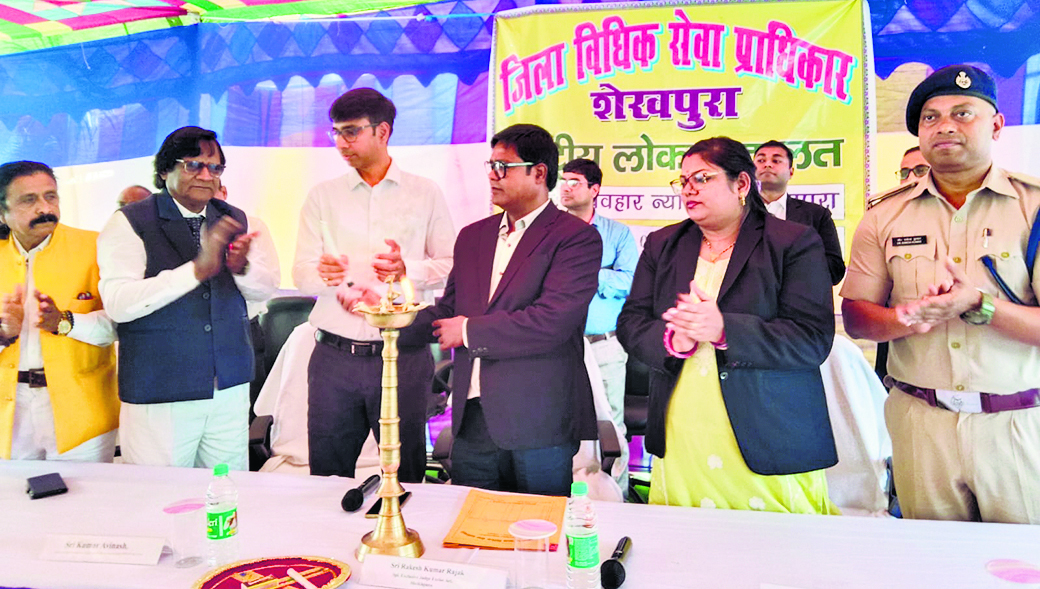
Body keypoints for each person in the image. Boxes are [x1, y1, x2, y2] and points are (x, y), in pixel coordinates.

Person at [841, 64, 1040, 523]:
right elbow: (856, 317)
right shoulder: (884, 216)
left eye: (962, 113)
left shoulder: (1033, 207)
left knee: (1021, 557)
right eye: (930, 117)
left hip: (1015, 424)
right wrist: (905, 318)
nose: (945, 126)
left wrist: (980, 305)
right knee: (928, 556)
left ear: (996, 125)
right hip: (920, 424)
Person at [616, 136, 838, 512]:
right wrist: (673, 340)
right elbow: (631, 323)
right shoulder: (663, 244)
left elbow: (812, 339)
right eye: (683, 181)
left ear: (741, 184)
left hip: (768, 430)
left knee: (772, 542)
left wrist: (724, 330)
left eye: (702, 178)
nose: (688, 189)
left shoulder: (793, 242)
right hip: (682, 428)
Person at [404, 123, 602, 496]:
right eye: (490, 166)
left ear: (539, 173)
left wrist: (468, 332)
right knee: (472, 524)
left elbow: (552, 322)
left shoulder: (575, 238)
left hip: (539, 418)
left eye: (503, 167)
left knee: (539, 524)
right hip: (473, 419)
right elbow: (449, 310)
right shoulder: (473, 236)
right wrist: (388, 319)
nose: (493, 176)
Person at [294, 88, 455, 483]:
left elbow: (452, 265)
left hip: (402, 353)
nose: (340, 143)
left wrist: (406, 269)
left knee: (405, 473)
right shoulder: (323, 196)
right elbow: (301, 273)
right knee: (327, 477)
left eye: (351, 132)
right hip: (334, 358)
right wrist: (326, 276)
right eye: (335, 132)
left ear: (382, 131)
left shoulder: (424, 192)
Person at [98, 126, 277, 470]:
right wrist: (195, 270)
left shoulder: (234, 218)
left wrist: (242, 268)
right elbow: (118, 303)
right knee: (159, 494)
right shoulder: (129, 222)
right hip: (161, 390)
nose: (206, 175)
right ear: (165, 170)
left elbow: (265, 292)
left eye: (215, 167)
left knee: (226, 487)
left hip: (228, 388)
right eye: (193, 165)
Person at [0, 161, 119, 461]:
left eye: (50, 196)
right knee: (15, 492)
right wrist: (3, 334)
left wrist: (66, 322)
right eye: (29, 200)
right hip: (9, 412)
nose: (44, 208)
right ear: (2, 212)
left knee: (85, 492)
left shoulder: (95, 246)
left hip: (83, 408)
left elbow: (123, 323)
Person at [559, 157, 637, 495]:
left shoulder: (617, 234)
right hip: (558, 346)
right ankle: (563, 498)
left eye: (575, 182)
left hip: (603, 343)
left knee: (611, 426)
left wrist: (589, 272)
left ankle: (617, 498)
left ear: (595, 189)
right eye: (563, 181)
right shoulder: (549, 231)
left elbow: (630, 280)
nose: (566, 187)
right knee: (558, 425)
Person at [215, 184, 281, 416]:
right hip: (191, 336)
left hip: (243, 332)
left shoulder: (252, 226)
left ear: (224, 191)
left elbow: (269, 285)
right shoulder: (177, 230)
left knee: (247, 414)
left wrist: (241, 267)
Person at [874, 146, 932, 382]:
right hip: (901, 344)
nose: (911, 178)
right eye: (905, 172)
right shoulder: (884, 220)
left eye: (920, 170)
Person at [753, 140, 845, 285]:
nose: (768, 165)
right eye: (761, 160)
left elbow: (835, 269)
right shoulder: (739, 213)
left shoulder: (817, 214)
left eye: (776, 160)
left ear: (791, 172)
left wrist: (791, 265)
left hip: (800, 296)